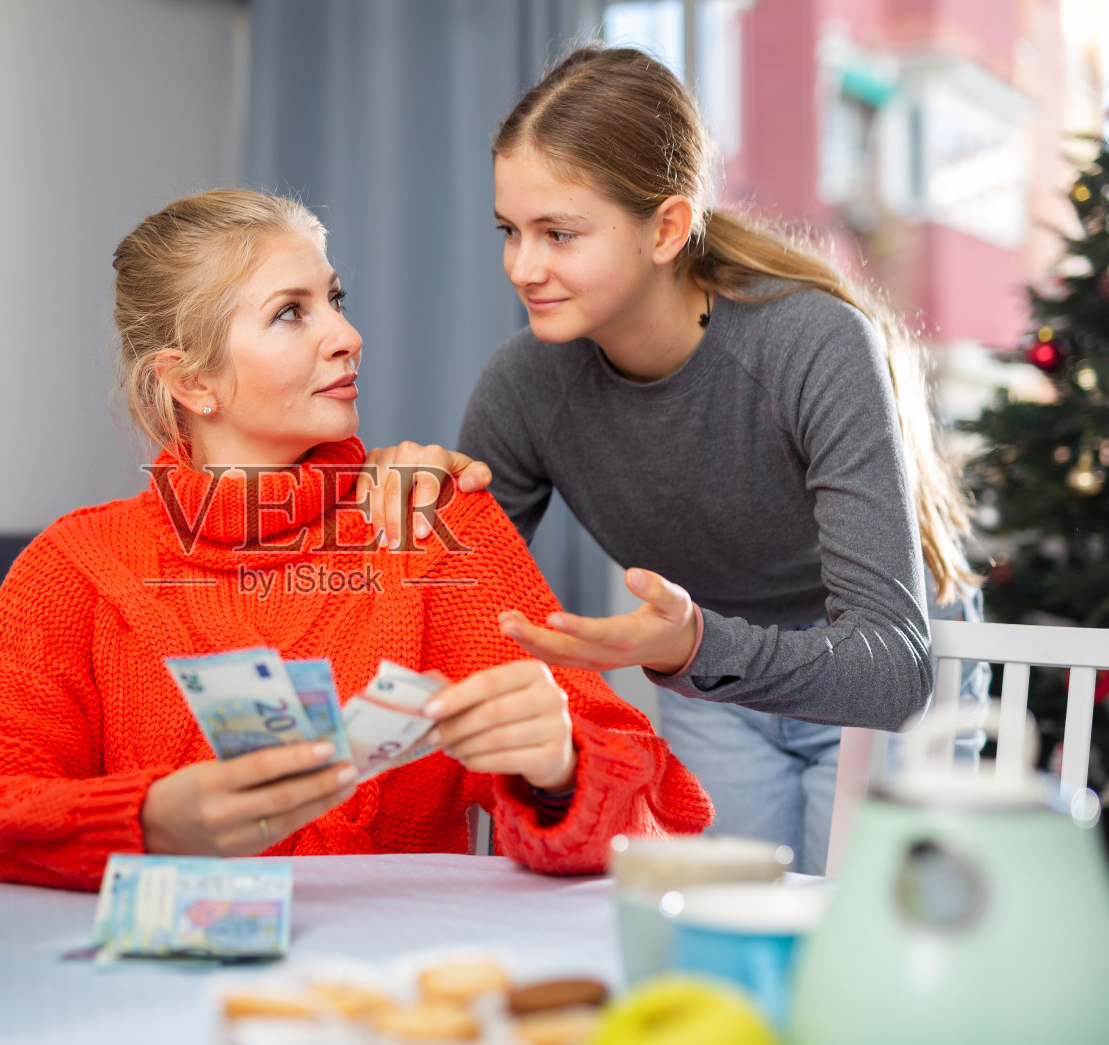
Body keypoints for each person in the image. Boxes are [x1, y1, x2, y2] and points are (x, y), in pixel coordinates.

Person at [0, 190, 711, 890]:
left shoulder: (430, 524)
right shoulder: (74, 569)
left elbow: (660, 829)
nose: (347, 335)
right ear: (191, 381)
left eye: (335, 297)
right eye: (292, 312)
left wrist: (564, 769)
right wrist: (147, 819)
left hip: (386, 1004)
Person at [362, 45, 983, 874]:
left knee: (856, 939)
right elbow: (454, 606)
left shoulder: (810, 343)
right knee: (726, 934)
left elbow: (896, 670)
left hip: (867, 659)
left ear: (666, 227)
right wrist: (422, 513)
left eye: (559, 233)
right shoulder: (525, 384)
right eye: (511, 231)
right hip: (714, 679)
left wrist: (692, 647)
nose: (522, 266)